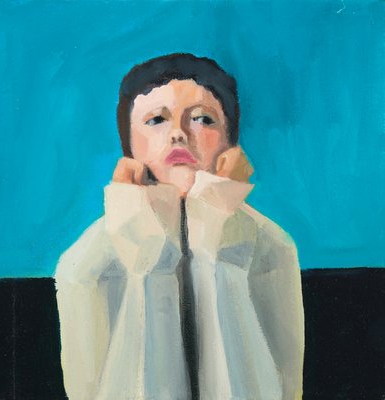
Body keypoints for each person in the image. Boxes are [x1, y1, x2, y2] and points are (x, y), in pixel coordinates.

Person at [54, 53, 304, 400]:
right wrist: (147, 256)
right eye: (156, 120)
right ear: (129, 145)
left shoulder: (272, 247)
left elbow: (281, 391)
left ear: (230, 141)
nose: (178, 135)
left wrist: (217, 241)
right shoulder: (86, 263)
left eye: (202, 119)